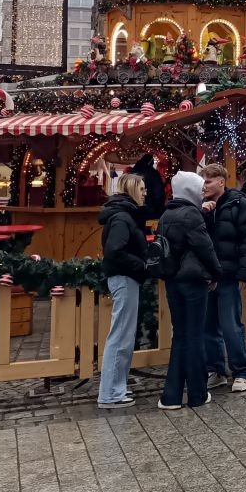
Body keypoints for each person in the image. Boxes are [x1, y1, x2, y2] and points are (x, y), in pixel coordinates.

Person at [158, 171, 221, 410]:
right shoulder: (192, 215)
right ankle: (197, 393)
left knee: (181, 336)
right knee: (194, 336)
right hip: (194, 282)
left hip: (173, 281)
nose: (202, 192)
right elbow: (205, 248)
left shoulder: (166, 215)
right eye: (199, 188)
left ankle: (171, 396)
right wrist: (216, 274)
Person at [201, 164, 246, 393]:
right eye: (203, 181)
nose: (204, 186)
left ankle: (242, 371)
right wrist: (203, 214)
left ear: (221, 181)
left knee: (231, 326)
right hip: (207, 276)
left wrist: (245, 273)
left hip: (229, 274)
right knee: (208, 327)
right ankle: (216, 370)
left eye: (208, 181)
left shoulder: (239, 204)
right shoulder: (202, 206)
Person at [97, 173, 149, 408]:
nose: (145, 193)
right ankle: (110, 392)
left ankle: (117, 386)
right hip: (125, 277)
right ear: (132, 190)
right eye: (142, 188)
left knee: (123, 335)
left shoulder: (124, 215)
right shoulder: (122, 217)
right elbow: (114, 251)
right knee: (121, 335)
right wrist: (141, 265)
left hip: (125, 277)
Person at [129, 153, 166, 219]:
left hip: (133, 210)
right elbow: (158, 193)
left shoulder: (132, 172)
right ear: (150, 162)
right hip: (150, 210)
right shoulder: (153, 173)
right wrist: (160, 208)